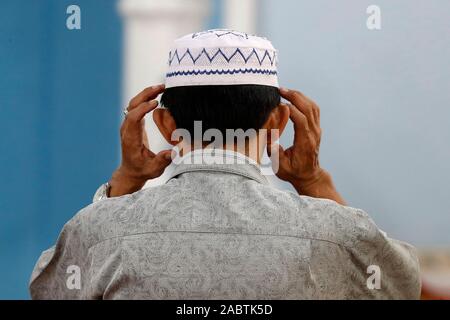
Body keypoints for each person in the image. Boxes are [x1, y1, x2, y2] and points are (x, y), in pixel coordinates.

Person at [29, 29, 420, 299]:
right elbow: (401, 286)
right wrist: (314, 181)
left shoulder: (101, 232)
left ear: (165, 125)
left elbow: (49, 289)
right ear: (278, 122)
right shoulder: (334, 234)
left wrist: (124, 182)